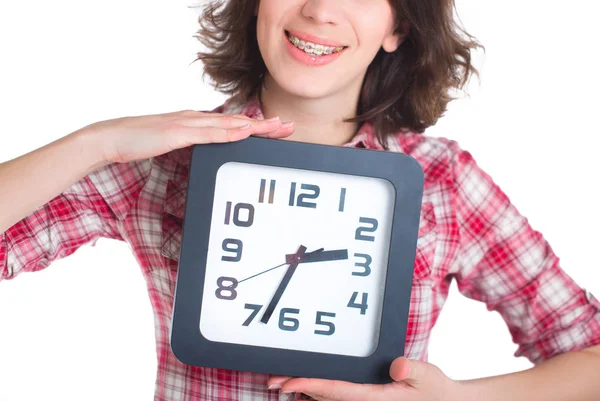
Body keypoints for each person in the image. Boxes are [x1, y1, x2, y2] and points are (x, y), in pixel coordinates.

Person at [1, 0, 599, 400]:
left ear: (398, 27)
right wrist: (97, 141)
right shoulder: (161, 160)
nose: (319, 9)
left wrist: (461, 399)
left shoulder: (443, 179)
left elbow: (588, 352)